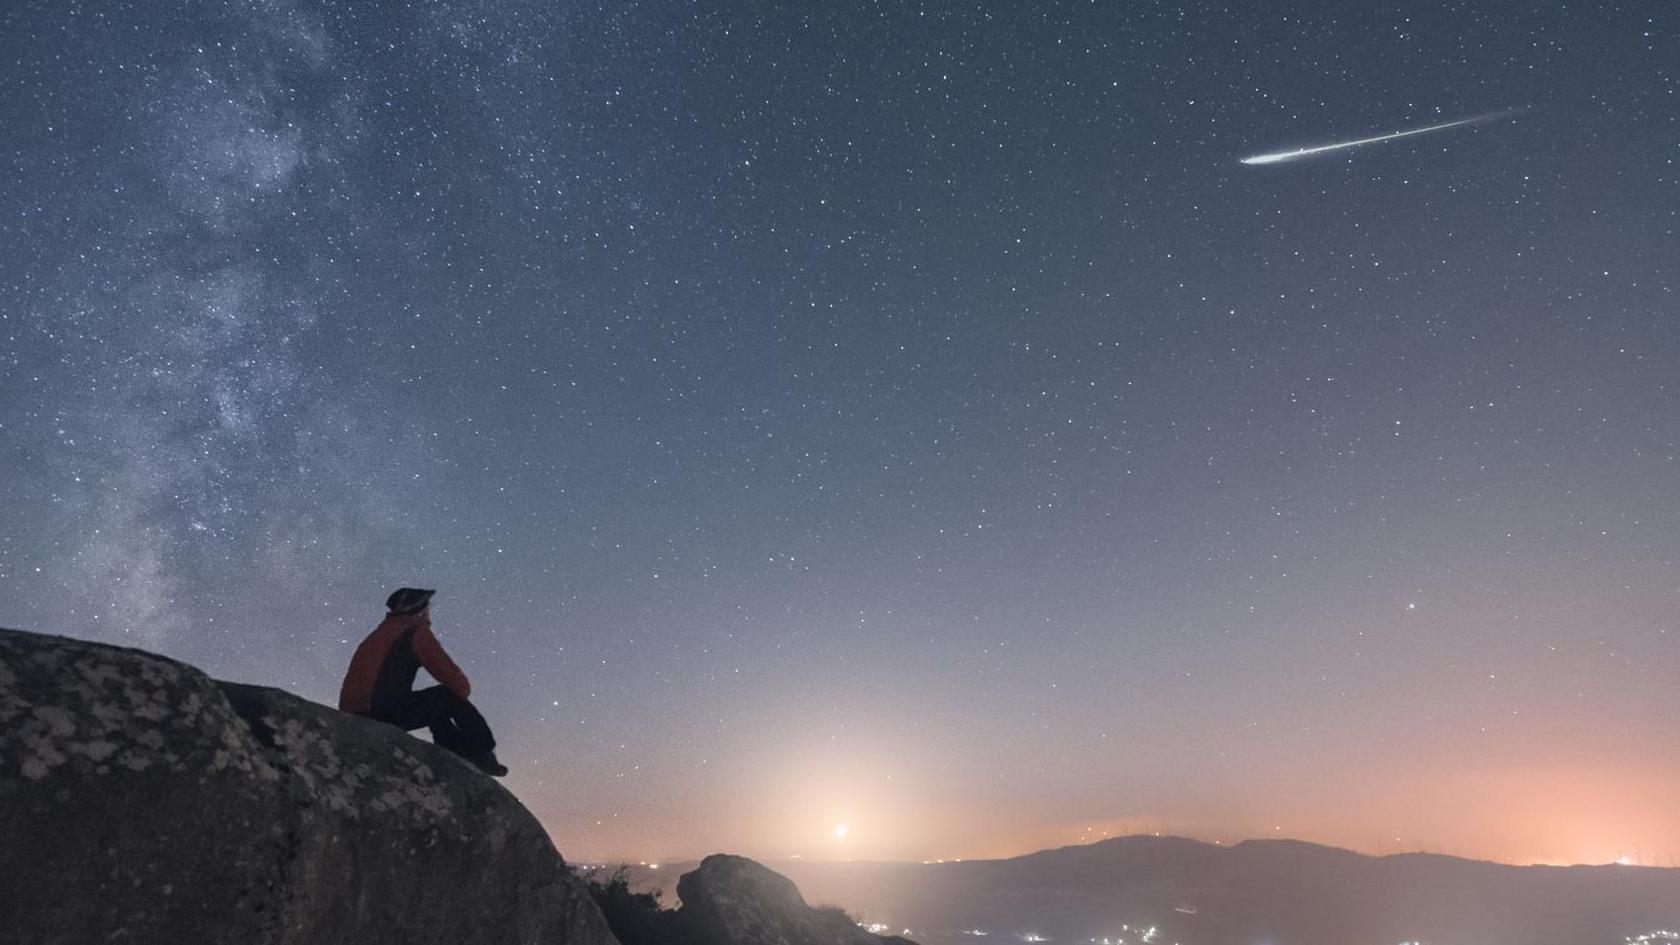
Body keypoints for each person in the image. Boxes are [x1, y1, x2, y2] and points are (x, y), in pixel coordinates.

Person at [338, 587, 508, 776]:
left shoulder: (378, 635)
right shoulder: (414, 631)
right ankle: (481, 753)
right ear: (421, 610)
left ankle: (454, 752)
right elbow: (457, 683)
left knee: (435, 705)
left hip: (355, 712)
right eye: (429, 608)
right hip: (380, 712)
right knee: (446, 696)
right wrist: (459, 697)